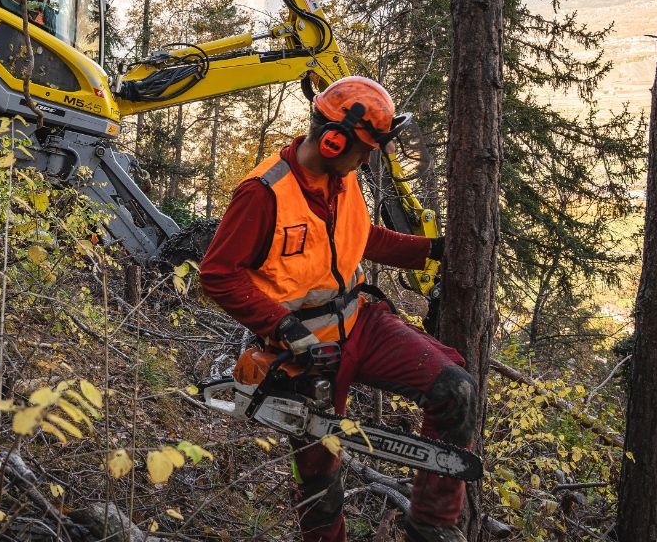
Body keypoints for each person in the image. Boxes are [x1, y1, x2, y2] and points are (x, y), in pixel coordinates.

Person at [199, 76, 476, 542]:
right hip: (301, 349)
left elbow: (362, 236)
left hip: (359, 322)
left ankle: (432, 527)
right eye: (363, 151)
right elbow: (218, 274)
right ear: (332, 140)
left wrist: (432, 250)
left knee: (456, 388)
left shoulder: (343, 181)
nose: (366, 161)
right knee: (320, 481)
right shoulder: (263, 194)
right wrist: (284, 328)